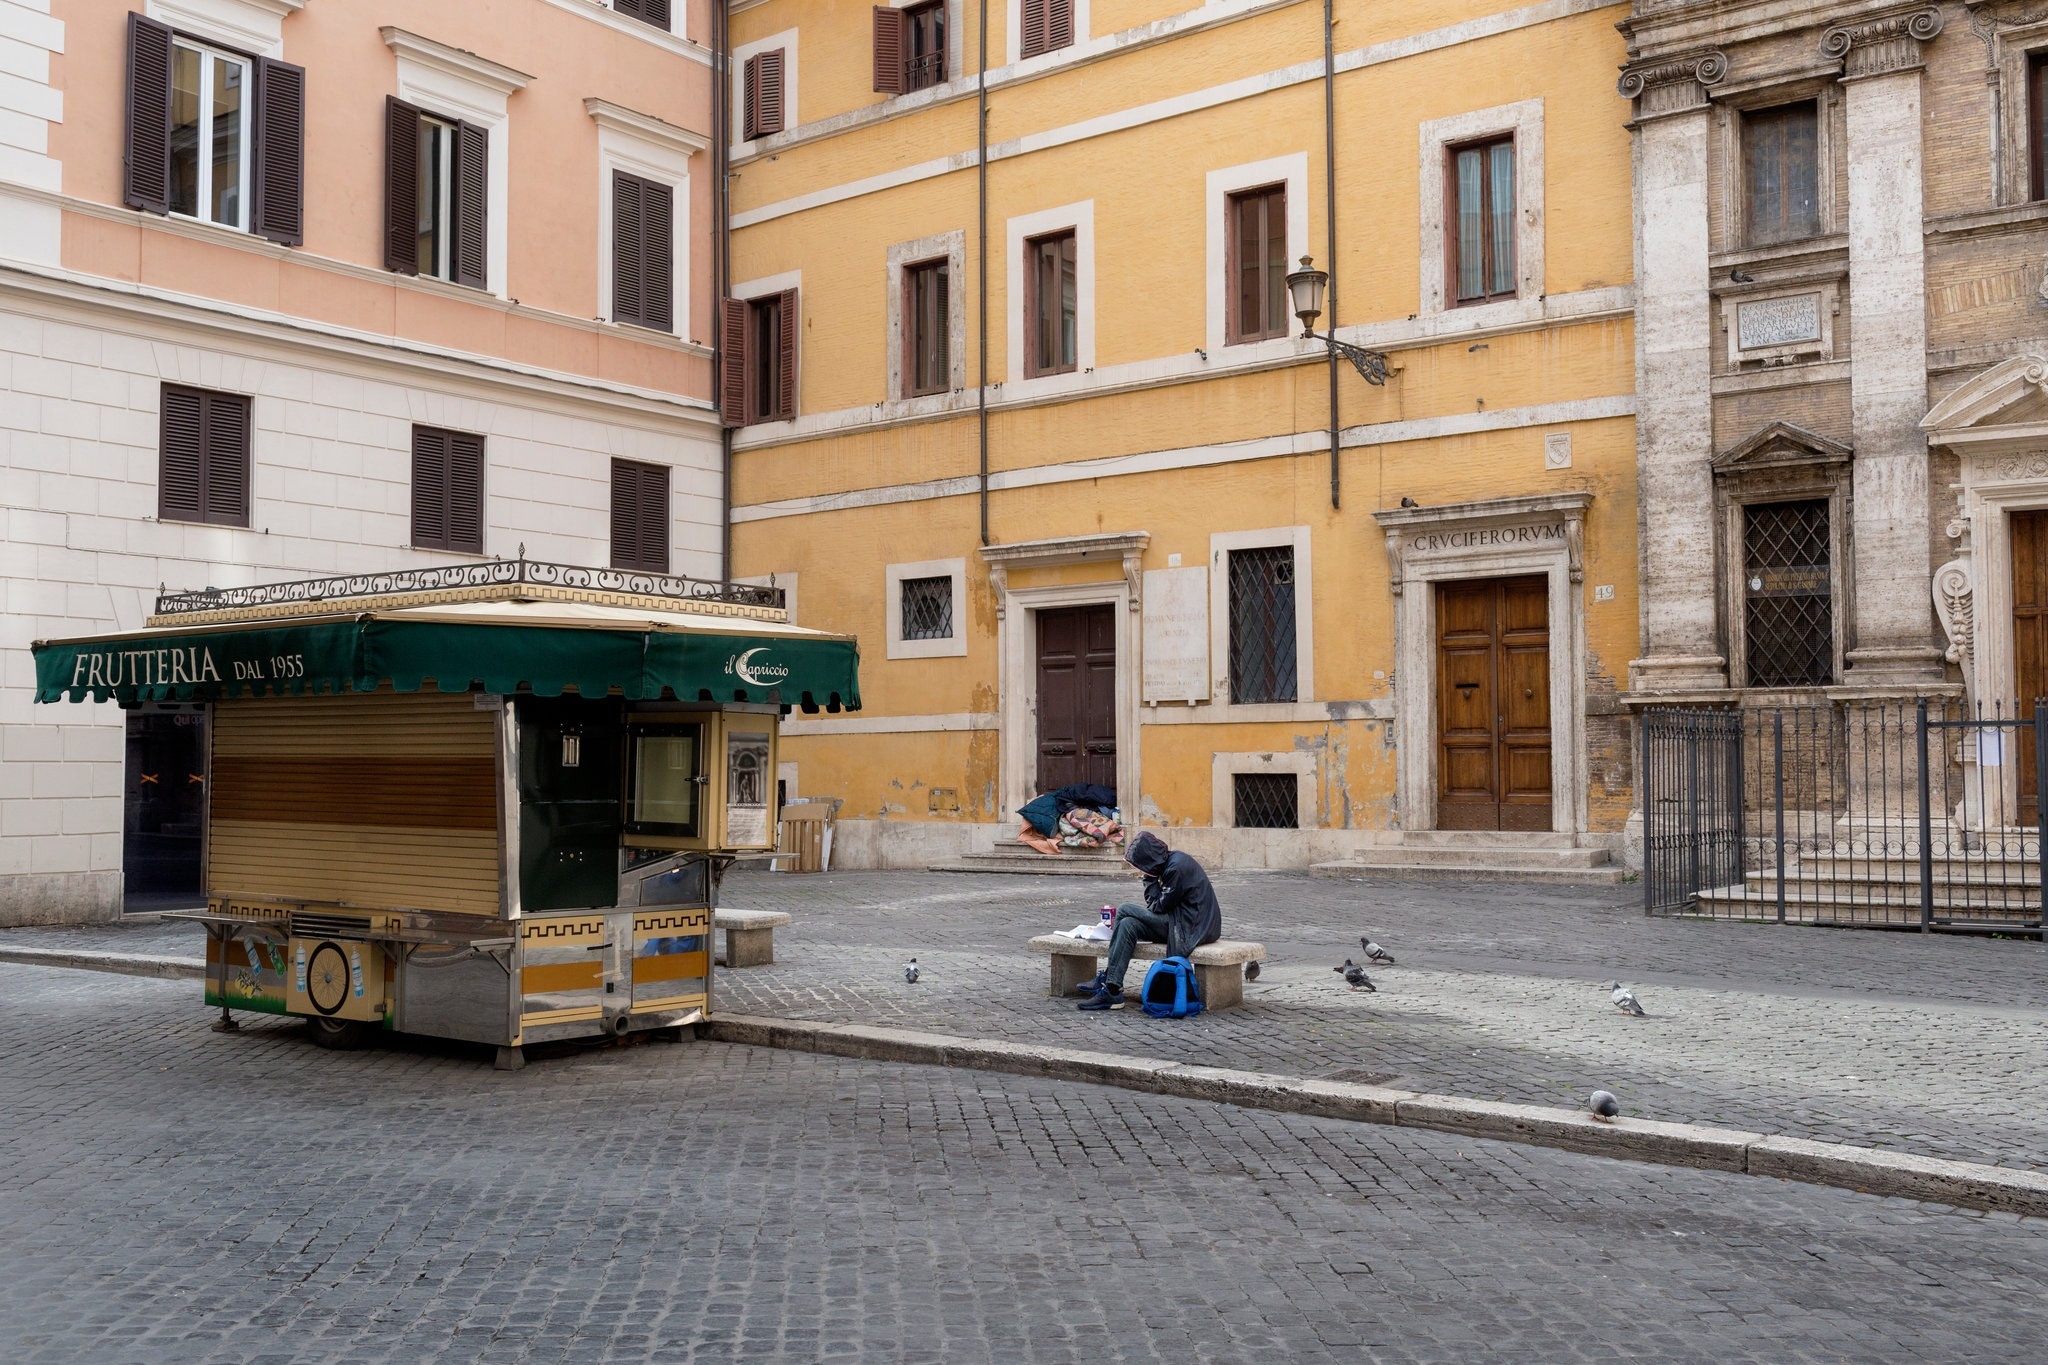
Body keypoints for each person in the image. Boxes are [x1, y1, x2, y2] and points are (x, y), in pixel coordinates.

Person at [1075, 831, 1222, 1011]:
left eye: (1139, 866)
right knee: (1128, 925)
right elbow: (1161, 906)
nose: (1139, 870)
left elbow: (1157, 907)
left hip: (1191, 928)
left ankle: (1108, 979)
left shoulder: (1175, 868)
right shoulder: (1169, 863)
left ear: (1147, 860)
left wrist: (1149, 878)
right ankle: (1113, 989)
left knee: (1124, 909)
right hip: (1180, 921)